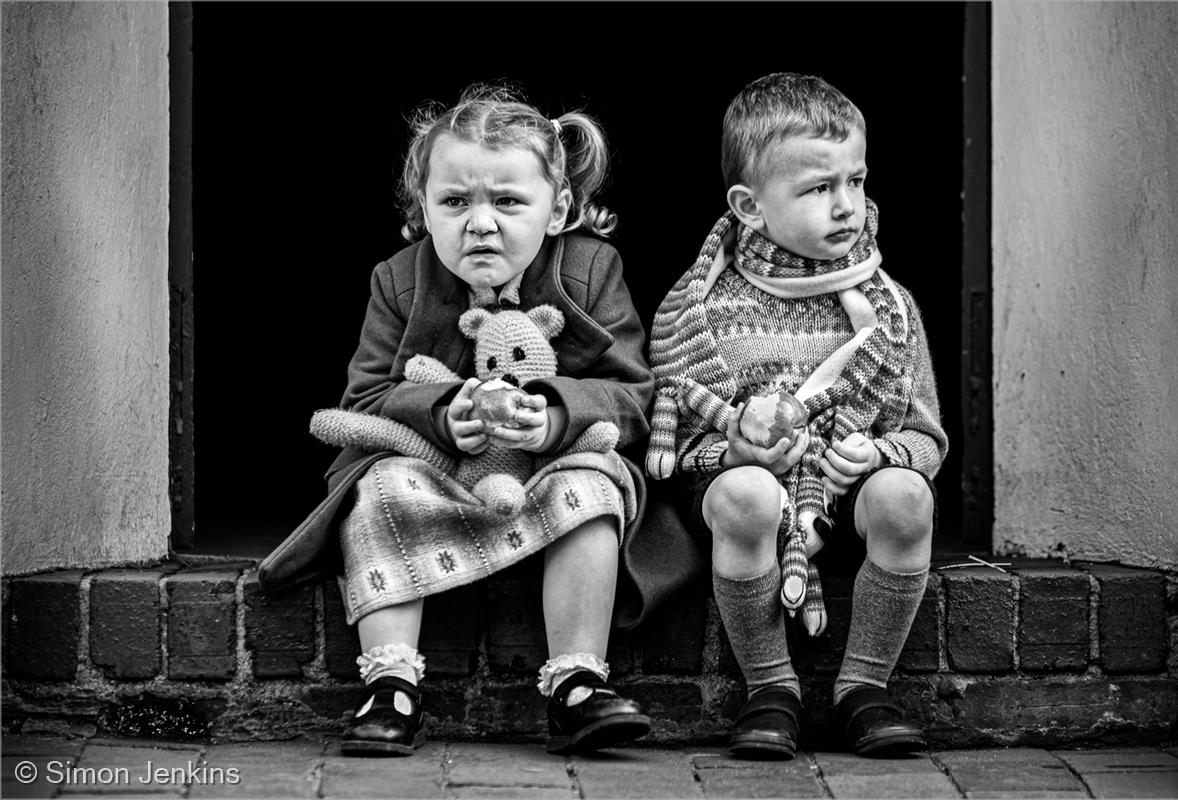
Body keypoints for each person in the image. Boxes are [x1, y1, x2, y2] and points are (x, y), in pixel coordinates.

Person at [257, 83, 654, 757]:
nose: (480, 223)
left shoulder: (590, 270)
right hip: (439, 474)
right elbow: (365, 398)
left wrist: (556, 414)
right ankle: (391, 684)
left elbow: (633, 393)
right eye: (455, 202)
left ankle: (577, 683)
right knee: (377, 490)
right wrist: (444, 413)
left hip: (547, 472)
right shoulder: (398, 280)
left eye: (508, 201)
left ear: (558, 209)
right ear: (423, 209)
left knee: (593, 487)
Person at [644, 72, 948, 759]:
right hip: (746, 512)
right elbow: (667, 447)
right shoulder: (702, 311)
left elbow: (927, 438)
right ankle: (770, 688)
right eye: (817, 189)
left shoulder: (889, 308)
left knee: (906, 498)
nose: (847, 206)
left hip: (840, 503)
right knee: (747, 493)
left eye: (856, 181)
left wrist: (879, 456)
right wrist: (732, 451)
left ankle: (864, 688)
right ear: (749, 207)